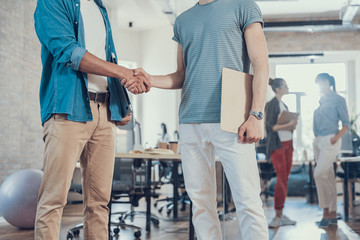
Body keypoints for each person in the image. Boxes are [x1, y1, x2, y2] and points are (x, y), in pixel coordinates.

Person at [132, 0, 269, 238]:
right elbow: (181, 76)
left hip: (233, 119)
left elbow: (261, 63)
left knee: (247, 200)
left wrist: (256, 114)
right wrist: (150, 79)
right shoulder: (183, 20)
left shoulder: (243, 6)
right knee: (201, 203)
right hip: (190, 121)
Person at [33, 0, 150, 239]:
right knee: (53, 201)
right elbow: (69, 52)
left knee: (99, 203)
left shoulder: (100, 8)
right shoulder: (52, 2)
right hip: (69, 110)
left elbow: (109, 59)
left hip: (105, 111)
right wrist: (124, 73)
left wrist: (121, 103)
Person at [313, 73, 350, 228]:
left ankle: (326, 212)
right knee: (327, 176)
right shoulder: (321, 101)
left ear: (330, 83)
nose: (321, 85)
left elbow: (346, 124)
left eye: (323, 82)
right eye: (318, 82)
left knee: (318, 173)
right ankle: (332, 214)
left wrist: (335, 138)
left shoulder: (338, 99)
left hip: (331, 140)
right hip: (318, 141)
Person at [265, 78, 298, 228]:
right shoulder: (271, 105)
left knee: (285, 179)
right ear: (278, 89)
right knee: (281, 178)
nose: (288, 87)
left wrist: (291, 126)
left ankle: (281, 214)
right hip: (277, 145)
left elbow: (284, 126)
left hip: (288, 144)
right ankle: (277, 216)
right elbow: (270, 127)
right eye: (285, 85)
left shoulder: (284, 105)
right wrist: (288, 124)